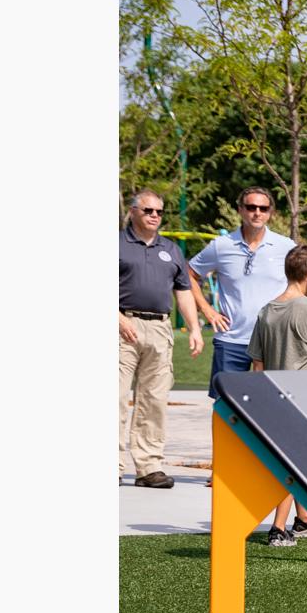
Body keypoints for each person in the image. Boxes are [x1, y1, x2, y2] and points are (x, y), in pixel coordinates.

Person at [118, 188, 212, 489]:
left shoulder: (170, 249)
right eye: (148, 210)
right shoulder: (116, 244)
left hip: (159, 328)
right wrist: (117, 319)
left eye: (159, 211)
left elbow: (183, 290)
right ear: (133, 211)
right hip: (122, 325)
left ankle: (149, 466)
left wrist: (194, 328)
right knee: (116, 398)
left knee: (155, 400)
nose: (155, 216)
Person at [247, 244, 307, 546]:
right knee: (292, 466)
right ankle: (278, 528)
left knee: (294, 461)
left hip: (271, 398)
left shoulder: (267, 311)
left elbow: (257, 364)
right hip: (305, 399)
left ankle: (304, 519)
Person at [190, 186, 295, 400]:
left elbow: (304, 280)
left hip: (272, 340)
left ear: (270, 212)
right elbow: (189, 274)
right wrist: (207, 310)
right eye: (251, 207)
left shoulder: (286, 247)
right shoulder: (221, 246)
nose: (257, 212)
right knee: (225, 405)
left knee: (272, 405)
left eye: (263, 208)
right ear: (240, 210)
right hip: (231, 339)